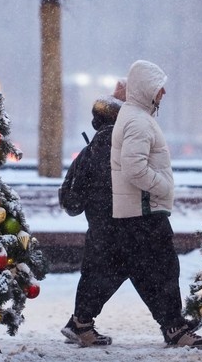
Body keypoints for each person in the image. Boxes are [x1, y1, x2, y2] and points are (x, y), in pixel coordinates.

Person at [109, 60, 202, 349]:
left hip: (138, 210)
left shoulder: (135, 116)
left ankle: (172, 324)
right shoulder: (138, 121)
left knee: (150, 273)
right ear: (146, 88)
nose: (164, 92)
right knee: (164, 270)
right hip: (145, 210)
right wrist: (163, 186)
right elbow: (134, 169)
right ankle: (175, 327)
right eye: (159, 87)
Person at [58, 91, 126, 346]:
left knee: (94, 271)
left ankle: (80, 322)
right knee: (105, 271)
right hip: (112, 222)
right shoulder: (110, 144)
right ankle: (81, 323)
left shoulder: (93, 146)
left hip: (98, 222)